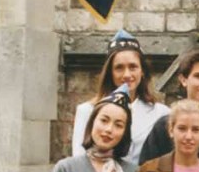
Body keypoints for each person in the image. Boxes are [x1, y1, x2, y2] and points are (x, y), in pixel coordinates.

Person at [70, 30, 170, 162]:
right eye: (119, 68)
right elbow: (78, 160)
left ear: (142, 71)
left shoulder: (161, 113)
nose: (127, 75)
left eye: (133, 67)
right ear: (110, 72)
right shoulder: (87, 110)